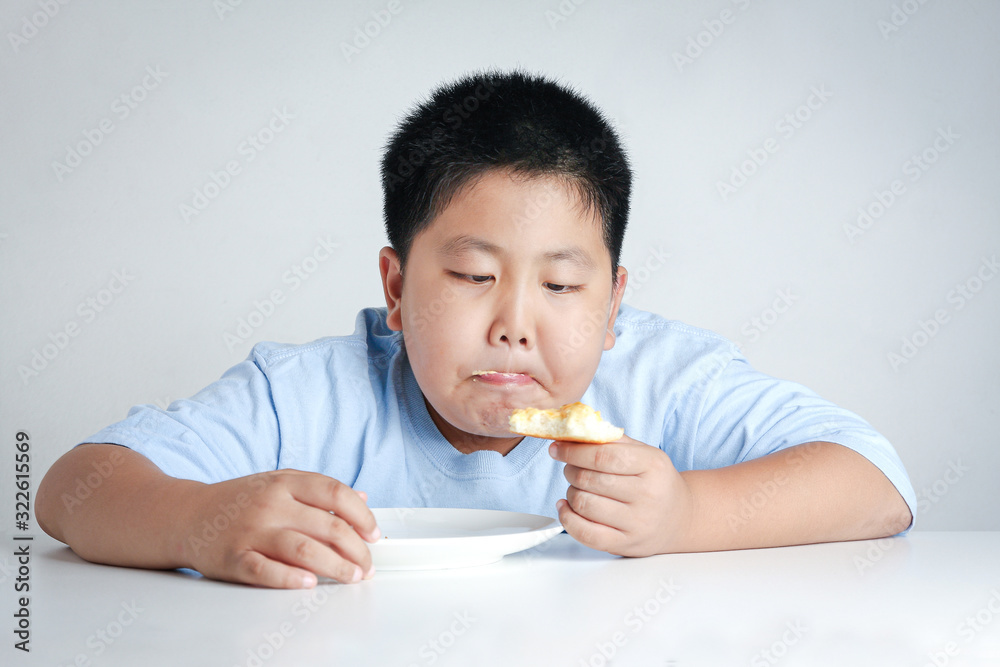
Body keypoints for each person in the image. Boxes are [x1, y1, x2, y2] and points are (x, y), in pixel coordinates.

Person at [36, 70, 915, 589]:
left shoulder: (664, 382)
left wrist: (687, 512)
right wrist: (196, 519)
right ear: (395, 286)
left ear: (613, 306)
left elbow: (877, 484)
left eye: (561, 285)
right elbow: (71, 489)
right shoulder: (309, 397)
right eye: (472, 277)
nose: (514, 327)